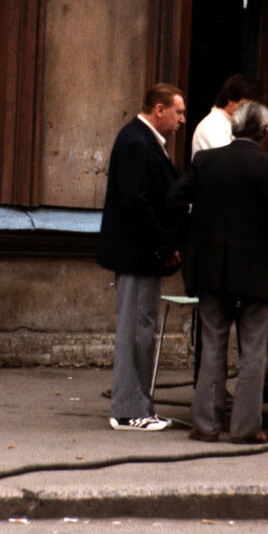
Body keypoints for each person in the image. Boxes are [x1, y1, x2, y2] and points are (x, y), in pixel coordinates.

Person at [167, 101, 268, 443]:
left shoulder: (206, 162)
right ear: (265, 131)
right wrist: (263, 239)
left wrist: (192, 239)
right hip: (256, 272)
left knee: (212, 345)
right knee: (253, 350)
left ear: (233, 127)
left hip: (212, 269)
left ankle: (206, 425)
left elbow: (175, 200)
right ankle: (245, 429)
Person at [97, 84, 186, 432]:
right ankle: (127, 410)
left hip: (141, 254)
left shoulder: (142, 140)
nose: (182, 120)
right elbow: (136, 202)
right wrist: (165, 247)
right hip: (138, 255)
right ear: (159, 110)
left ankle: (139, 406)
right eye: (178, 112)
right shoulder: (136, 142)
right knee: (135, 332)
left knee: (141, 331)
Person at [190, 74, 263, 157]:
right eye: (247, 104)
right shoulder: (212, 126)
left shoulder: (236, 125)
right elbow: (230, 160)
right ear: (231, 100)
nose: (251, 110)